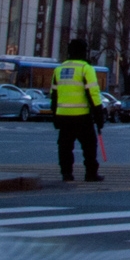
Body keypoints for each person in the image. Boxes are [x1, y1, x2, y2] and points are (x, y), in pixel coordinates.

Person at [51, 39, 104, 182]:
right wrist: (99, 116)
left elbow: (54, 95)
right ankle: (91, 173)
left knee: (64, 147)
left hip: (63, 116)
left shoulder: (59, 69)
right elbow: (93, 94)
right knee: (89, 146)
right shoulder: (86, 68)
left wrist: (54, 116)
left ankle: (66, 173)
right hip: (82, 116)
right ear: (84, 52)